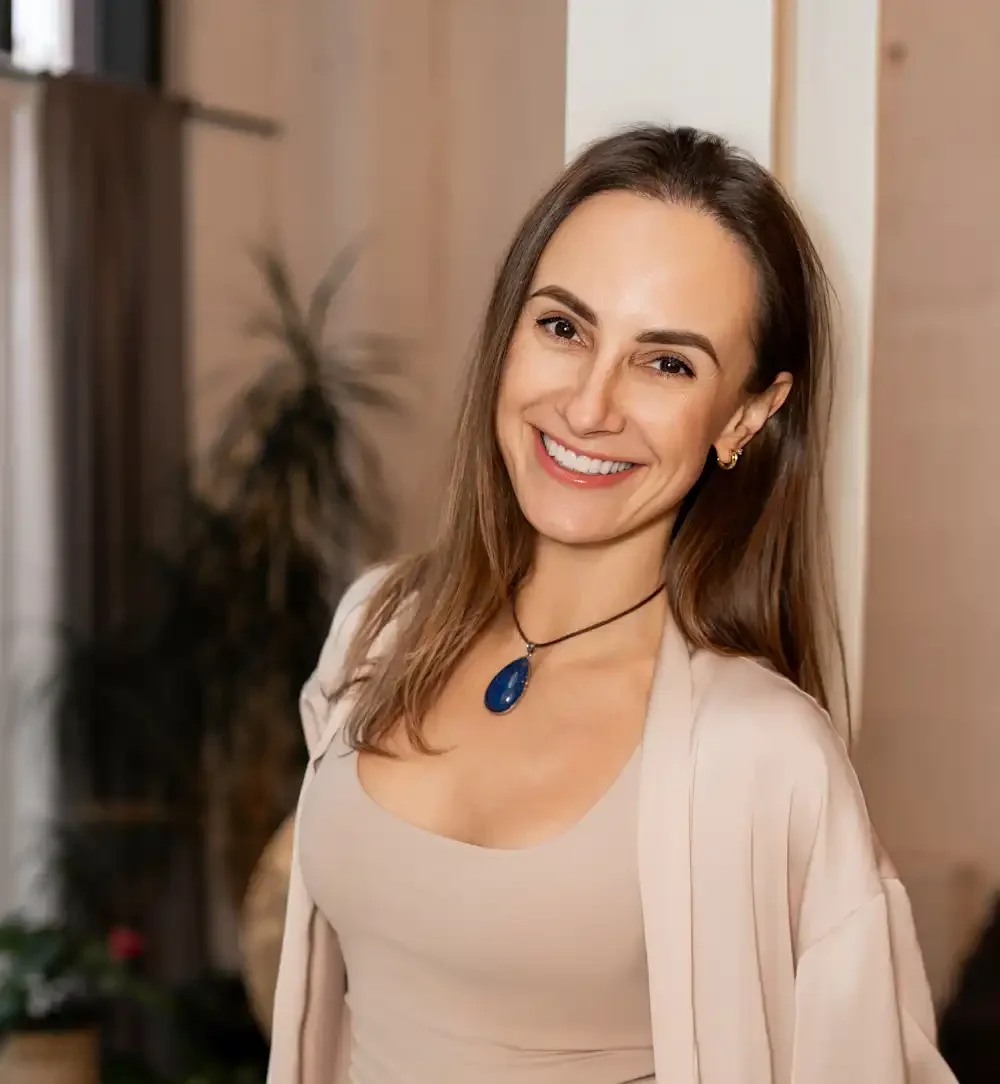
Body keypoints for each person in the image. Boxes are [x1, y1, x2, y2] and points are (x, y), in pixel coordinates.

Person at [266, 126, 956, 1083]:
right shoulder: (378, 629)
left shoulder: (764, 755)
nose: (590, 407)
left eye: (666, 363)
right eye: (563, 328)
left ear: (747, 413)